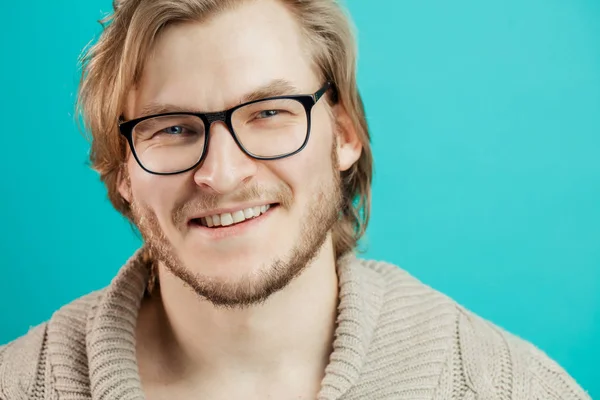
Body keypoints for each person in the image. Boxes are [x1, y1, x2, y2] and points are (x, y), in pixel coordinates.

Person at [0, 0, 591, 399]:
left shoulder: (511, 387)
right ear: (122, 171)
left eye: (269, 114)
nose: (222, 174)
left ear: (344, 135)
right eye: (173, 128)